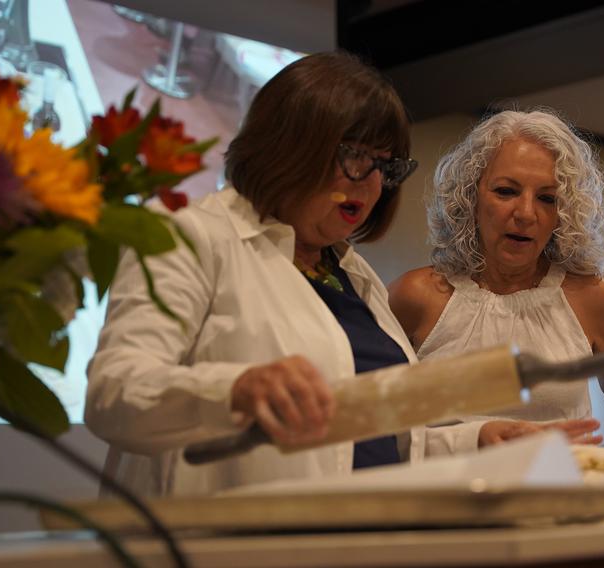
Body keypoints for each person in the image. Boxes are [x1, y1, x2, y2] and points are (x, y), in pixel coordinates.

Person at [87, 52, 437, 497]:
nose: (369, 183)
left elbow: (371, 438)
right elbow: (115, 393)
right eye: (354, 155)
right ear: (288, 144)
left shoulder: (353, 273)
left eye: (385, 166)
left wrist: (478, 439)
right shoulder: (190, 234)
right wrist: (235, 389)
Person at [388, 110, 604, 456]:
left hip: (561, 497)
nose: (526, 213)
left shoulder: (589, 296)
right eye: (506, 191)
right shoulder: (415, 297)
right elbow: (374, 418)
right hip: (445, 502)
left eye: (547, 198)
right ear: (470, 198)